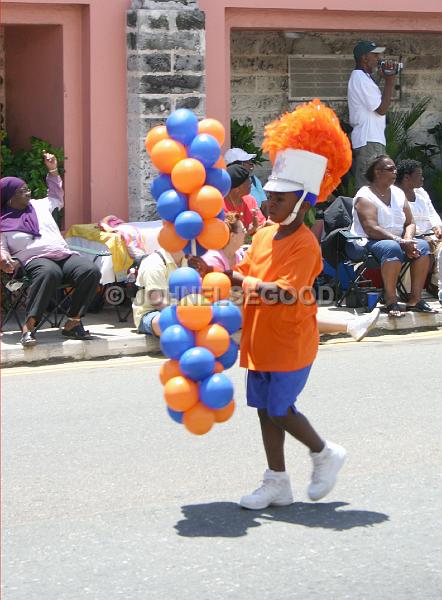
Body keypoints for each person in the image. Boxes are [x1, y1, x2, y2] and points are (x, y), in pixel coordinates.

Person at [192, 100, 352, 509]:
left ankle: (323, 452)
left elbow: (284, 290)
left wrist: (238, 279)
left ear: (301, 203)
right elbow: (241, 267)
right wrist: (209, 265)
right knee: (264, 410)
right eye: (271, 197)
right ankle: (277, 481)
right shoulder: (264, 234)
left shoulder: (305, 243)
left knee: (280, 407)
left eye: (280, 200)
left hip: (291, 339)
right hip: (260, 338)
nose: (270, 204)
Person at [0, 153, 101, 347]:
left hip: (62, 254)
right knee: (49, 272)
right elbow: (1, 248)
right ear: (10, 198)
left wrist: (53, 170)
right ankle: (29, 328)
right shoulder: (3, 223)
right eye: (22, 191)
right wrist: (5, 260)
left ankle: (73, 322)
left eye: (27, 189)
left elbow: (55, 195)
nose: (28, 193)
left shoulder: (39, 205)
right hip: (33, 261)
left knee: (90, 270)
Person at [345, 155, 437, 317]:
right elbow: (371, 228)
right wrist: (400, 241)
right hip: (370, 241)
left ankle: (415, 299)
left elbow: (410, 222)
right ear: (377, 172)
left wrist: (408, 239)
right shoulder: (365, 195)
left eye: (395, 168)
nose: (395, 172)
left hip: (399, 239)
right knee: (392, 248)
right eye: (390, 169)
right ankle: (391, 298)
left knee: (422, 246)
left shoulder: (398, 193)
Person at [348, 40, 397, 190]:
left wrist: (383, 78)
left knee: (377, 187)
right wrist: (390, 81)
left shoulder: (364, 78)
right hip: (368, 140)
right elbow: (381, 109)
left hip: (371, 139)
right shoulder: (359, 78)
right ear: (364, 58)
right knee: (368, 188)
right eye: (375, 55)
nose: (379, 59)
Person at [395, 159, 442, 304]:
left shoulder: (421, 192)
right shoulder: (395, 195)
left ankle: (436, 286)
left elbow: (432, 212)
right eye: (419, 175)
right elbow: (400, 224)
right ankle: (408, 293)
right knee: (420, 246)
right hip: (410, 236)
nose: (422, 178)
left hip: (430, 234)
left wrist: (437, 227)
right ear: (407, 178)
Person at [132, 247, 186, 337]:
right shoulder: (154, 262)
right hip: (151, 313)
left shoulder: (190, 260)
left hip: (184, 310)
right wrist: (188, 316)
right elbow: (158, 302)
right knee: (169, 322)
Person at [224, 164, 266, 236]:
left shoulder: (250, 200)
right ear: (237, 189)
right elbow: (227, 237)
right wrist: (250, 231)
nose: (251, 182)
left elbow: (260, 225)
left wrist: (266, 226)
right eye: (247, 180)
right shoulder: (219, 206)